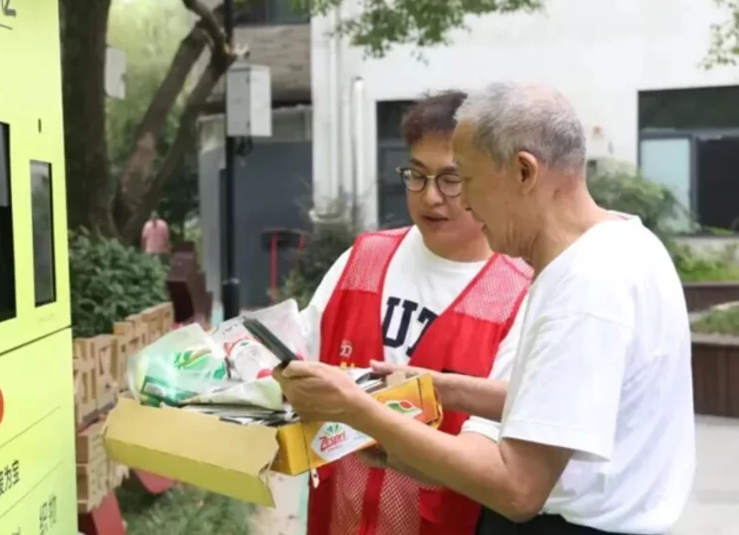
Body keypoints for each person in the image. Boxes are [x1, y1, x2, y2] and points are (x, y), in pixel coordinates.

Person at [277, 81, 695, 535]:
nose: (466, 205)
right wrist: (443, 389)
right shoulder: (625, 245)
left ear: (523, 172)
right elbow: (556, 401)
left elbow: (517, 489)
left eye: (465, 180)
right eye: (420, 176)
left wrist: (359, 411)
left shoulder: (586, 288)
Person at [298, 90, 533, 535]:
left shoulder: (518, 292)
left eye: (451, 179)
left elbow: (500, 456)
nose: (430, 197)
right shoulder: (363, 258)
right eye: (417, 176)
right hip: (336, 517)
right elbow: (297, 357)